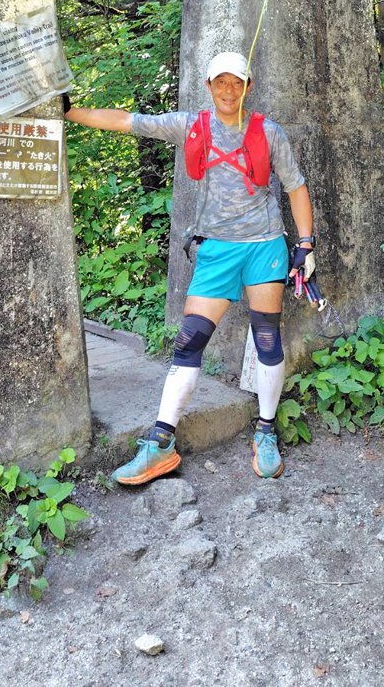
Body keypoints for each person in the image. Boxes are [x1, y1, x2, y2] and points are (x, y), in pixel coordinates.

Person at [63, 51, 315, 484]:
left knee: (268, 338)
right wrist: (71, 113)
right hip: (217, 250)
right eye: (221, 82)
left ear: (248, 86)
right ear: (209, 85)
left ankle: (267, 431)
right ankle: (161, 444)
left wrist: (306, 244)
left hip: (265, 247)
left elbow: (296, 186)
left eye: (237, 82)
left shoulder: (268, 133)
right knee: (189, 342)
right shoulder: (191, 126)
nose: (229, 90)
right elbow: (128, 121)